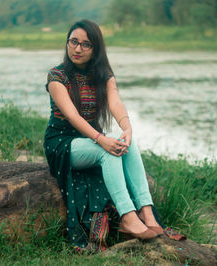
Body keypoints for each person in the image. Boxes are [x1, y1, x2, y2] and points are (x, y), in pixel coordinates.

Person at [44, 19, 164, 250]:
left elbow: (115, 102)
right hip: (62, 143)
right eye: (73, 42)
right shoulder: (56, 76)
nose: (77, 49)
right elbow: (73, 117)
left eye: (85, 44)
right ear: (67, 43)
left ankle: (146, 212)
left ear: (95, 48)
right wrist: (101, 140)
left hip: (88, 139)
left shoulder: (103, 74)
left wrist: (127, 130)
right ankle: (128, 218)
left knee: (126, 145)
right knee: (108, 153)